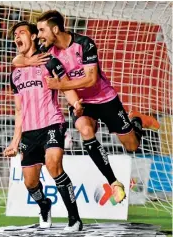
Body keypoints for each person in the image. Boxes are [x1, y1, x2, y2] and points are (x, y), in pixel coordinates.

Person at [12, 10, 160, 204]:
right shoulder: (46, 49)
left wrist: (61, 85)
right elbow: (16, 61)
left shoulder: (84, 44)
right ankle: (114, 182)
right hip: (82, 104)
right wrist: (28, 61)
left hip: (105, 98)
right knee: (85, 129)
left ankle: (137, 119)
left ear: (55, 29)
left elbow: (91, 79)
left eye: (41, 30)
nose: (39, 35)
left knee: (132, 145)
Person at [4, 21, 83, 231]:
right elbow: (19, 111)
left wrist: (76, 104)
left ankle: (74, 219)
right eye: (14, 35)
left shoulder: (50, 62)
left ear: (32, 36)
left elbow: (65, 86)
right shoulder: (15, 73)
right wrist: (15, 141)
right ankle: (44, 204)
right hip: (29, 131)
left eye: (21, 33)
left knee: (53, 165)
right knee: (30, 183)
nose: (16, 37)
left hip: (52, 123)